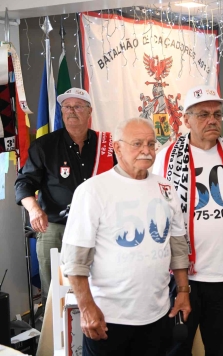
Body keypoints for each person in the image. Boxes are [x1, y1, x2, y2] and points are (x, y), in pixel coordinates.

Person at [61, 118, 191, 356]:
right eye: (137, 143)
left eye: (151, 143)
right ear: (117, 148)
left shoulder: (166, 188)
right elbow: (75, 261)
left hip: (158, 315)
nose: (146, 150)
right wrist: (87, 308)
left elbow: (178, 246)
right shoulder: (92, 191)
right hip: (109, 319)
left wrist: (183, 291)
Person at [153, 86, 223, 356]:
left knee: (220, 349)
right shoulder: (165, 158)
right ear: (186, 120)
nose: (212, 120)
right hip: (182, 276)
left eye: (217, 114)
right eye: (203, 114)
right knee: (177, 348)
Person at [14, 88, 115, 308]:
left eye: (77, 106)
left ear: (89, 111)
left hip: (98, 230)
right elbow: (24, 183)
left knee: (99, 288)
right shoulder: (44, 146)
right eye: (66, 107)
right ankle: (54, 329)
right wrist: (34, 209)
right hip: (56, 227)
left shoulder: (106, 146)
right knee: (55, 294)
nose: (71, 111)